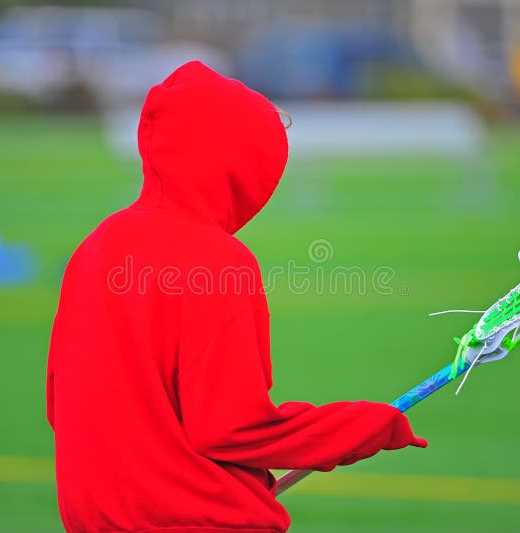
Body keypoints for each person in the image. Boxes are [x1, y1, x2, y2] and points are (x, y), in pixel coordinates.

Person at [47, 60, 427, 533]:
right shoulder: (218, 260)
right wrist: (357, 428)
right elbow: (232, 427)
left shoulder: (93, 247)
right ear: (236, 162)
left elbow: (60, 407)